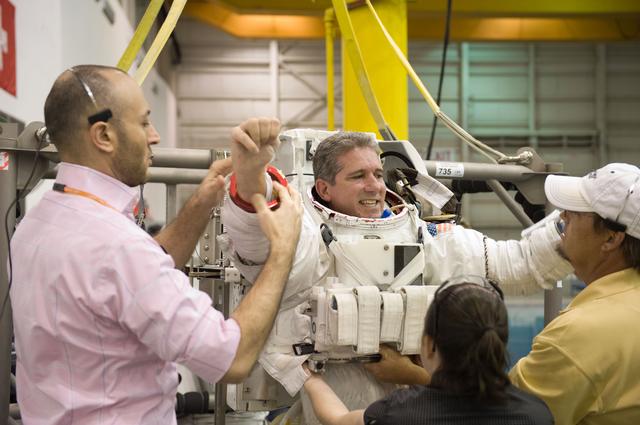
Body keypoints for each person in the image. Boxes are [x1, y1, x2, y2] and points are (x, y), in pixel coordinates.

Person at [9, 65, 302, 424]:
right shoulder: (118, 248)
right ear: (103, 135)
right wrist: (282, 250)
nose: (156, 136)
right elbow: (232, 357)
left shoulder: (37, 224)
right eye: (145, 122)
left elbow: (127, 287)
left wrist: (204, 198)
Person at [220, 130, 572, 424]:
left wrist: (574, 223)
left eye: (377, 173)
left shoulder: (424, 236)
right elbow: (255, 231)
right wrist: (251, 173)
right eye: (358, 176)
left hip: (409, 412)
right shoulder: (306, 236)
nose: (374, 185)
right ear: (324, 190)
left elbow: (520, 264)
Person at [304, 276, 554, 425]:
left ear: (429, 345)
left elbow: (338, 420)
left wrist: (309, 376)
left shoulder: (400, 413)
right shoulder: (536, 414)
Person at [509, 163, 640, 424]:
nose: (562, 217)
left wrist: (418, 377)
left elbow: (498, 415)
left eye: (576, 211)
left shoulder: (578, 335)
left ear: (611, 239)